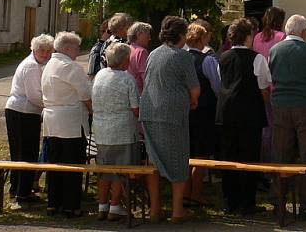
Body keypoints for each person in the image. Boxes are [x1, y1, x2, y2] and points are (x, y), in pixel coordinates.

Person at [139, 16, 200, 223]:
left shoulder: (154, 53)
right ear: (182, 35)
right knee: (178, 160)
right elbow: (195, 89)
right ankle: (177, 210)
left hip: (149, 111)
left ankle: (155, 210)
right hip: (172, 113)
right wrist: (193, 101)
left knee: (154, 160)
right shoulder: (183, 56)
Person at [269, 14, 306, 220]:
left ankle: (278, 202)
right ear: (304, 32)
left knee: (281, 153)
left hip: (281, 107)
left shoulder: (274, 50)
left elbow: (271, 79)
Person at [216, 18, 272, 215]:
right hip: (249, 113)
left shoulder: (222, 57)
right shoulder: (257, 59)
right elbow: (264, 88)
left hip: (226, 112)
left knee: (228, 156)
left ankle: (230, 201)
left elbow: (222, 82)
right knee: (249, 156)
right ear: (249, 36)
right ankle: (247, 202)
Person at [41, 32, 92, 218]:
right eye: (77, 48)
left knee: (55, 163)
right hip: (70, 120)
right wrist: (93, 109)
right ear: (68, 48)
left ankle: (53, 203)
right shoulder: (70, 67)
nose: (78, 52)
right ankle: (71, 205)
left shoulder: (49, 65)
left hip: (52, 120)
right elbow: (86, 95)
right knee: (73, 164)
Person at [92, 43, 140, 222]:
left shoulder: (100, 75)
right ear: (125, 60)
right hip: (122, 130)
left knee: (105, 169)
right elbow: (136, 108)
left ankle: (102, 205)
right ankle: (114, 206)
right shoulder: (127, 78)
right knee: (122, 169)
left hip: (101, 130)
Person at [5, 34, 54, 203]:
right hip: (22, 112)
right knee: (25, 152)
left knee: (24, 151)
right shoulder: (31, 66)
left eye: (49, 51)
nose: (46, 54)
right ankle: (22, 192)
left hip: (25, 112)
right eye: (42, 50)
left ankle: (18, 189)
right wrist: (52, 105)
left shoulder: (40, 64)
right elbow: (34, 96)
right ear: (33, 49)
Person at [184, 22, 221, 205]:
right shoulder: (207, 60)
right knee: (201, 154)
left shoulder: (181, 58)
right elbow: (217, 86)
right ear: (202, 38)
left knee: (187, 153)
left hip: (185, 111)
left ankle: (185, 193)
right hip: (204, 110)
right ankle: (195, 194)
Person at [254, 6, 286, 163]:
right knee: (279, 128)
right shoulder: (282, 37)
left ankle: (264, 161)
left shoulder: (257, 37)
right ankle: (276, 162)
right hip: (277, 86)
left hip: (261, 86)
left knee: (265, 127)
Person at [127, 22, 152, 95]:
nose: (149, 38)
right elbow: (145, 77)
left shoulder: (127, 49)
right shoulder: (141, 52)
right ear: (139, 35)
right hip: (139, 93)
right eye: (147, 35)